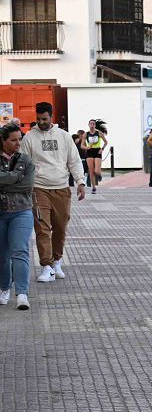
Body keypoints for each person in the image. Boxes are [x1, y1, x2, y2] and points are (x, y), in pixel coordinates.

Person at [19, 102, 86, 283]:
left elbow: (74, 160)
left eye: (45, 119)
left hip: (62, 188)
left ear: (51, 117)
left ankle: (57, 261)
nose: (41, 122)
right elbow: (23, 164)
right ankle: (46, 266)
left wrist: (80, 181)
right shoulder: (28, 139)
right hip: (39, 188)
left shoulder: (64, 137)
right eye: (38, 119)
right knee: (42, 228)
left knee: (60, 228)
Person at [0, 123, 36, 310]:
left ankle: (22, 293)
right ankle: (4, 287)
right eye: (13, 140)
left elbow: (27, 186)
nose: (18, 143)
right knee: (2, 255)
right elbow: (19, 182)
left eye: (19, 139)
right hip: (1, 213)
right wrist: (16, 177)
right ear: (3, 141)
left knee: (20, 251)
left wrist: (5, 181)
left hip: (22, 211)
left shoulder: (26, 160)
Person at [83, 119, 108, 194]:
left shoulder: (99, 133)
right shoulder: (86, 134)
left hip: (97, 151)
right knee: (91, 171)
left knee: (96, 171)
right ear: (88, 125)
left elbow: (106, 142)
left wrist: (102, 149)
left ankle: (99, 174)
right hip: (89, 152)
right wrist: (86, 147)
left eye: (93, 124)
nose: (92, 125)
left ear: (95, 125)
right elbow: (82, 145)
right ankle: (93, 188)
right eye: (91, 124)